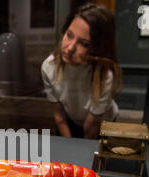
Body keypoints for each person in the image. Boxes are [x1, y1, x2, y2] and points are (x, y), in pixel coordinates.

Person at [41, 3, 122, 139]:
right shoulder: (49, 66)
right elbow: (59, 116)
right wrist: (70, 146)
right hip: (71, 120)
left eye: (83, 44)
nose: (70, 48)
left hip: (102, 124)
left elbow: (91, 126)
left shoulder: (105, 75)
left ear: (98, 48)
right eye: (69, 35)